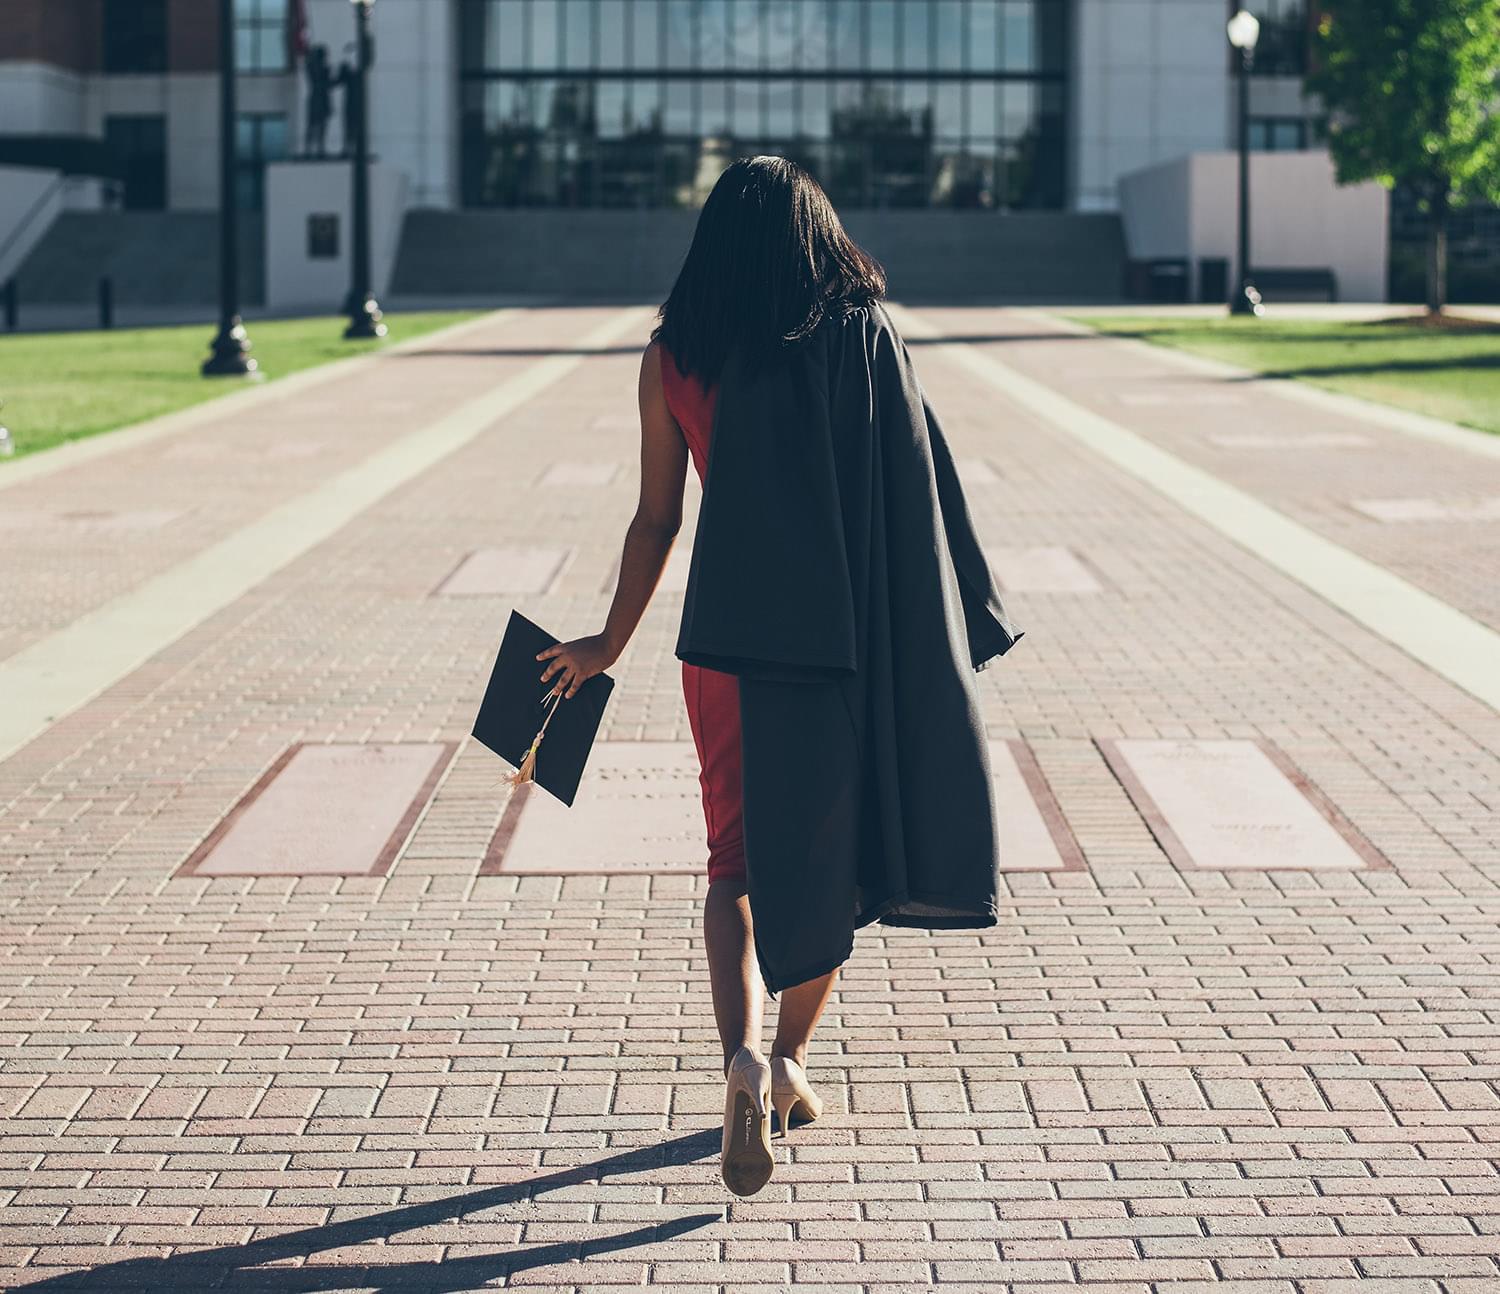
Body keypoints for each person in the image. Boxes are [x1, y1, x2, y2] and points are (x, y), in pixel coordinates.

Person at [535, 157, 1021, 1198]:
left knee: (734, 862)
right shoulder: (862, 339)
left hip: (728, 643)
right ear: (817, 234)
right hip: (836, 641)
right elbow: (914, 489)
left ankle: (741, 1057)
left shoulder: (676, 358)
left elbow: (656, 518)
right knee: (826, 859)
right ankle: (795, 1056)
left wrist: (606, 644)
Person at [303, 46, 333, 158]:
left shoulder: (323, 68)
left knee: (322, 126)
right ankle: (308, 149)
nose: (326, 58)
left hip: (323, 99)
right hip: (316, 98)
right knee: (313, 125)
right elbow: (320, 79)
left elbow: (329, 84)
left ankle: (320, 148)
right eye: (324, 56)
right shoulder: (313, 67)